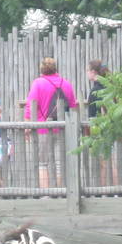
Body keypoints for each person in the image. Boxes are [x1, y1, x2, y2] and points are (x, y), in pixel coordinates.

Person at [23, 57, 77, 189]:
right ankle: (59, 191)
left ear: (42, 69)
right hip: (63, 128)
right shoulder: (66, 83)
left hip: (43, 128)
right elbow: (73, 106)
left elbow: (31, 105)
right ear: (55, 68)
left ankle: (46, 194)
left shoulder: (38, 83)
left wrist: (27, 124)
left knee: (43, 163)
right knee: (60, 163)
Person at [85, 59, 119, 188]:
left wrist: (90, 135)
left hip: (100, 130)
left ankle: (104, 189)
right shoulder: (109, 87)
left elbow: (92, 118)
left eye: (88, 71)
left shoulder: (95, 91)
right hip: (111, 127)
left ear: (93, 72)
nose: (87, 73)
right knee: (111, 160)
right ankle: (115, 189)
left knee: (103, 162)